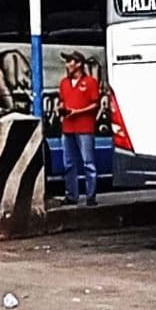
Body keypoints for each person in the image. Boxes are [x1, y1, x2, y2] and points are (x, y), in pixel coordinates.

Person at [58, 51, 99, 207]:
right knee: (68, 164)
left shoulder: (90, 82)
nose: (68, 65)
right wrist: (61, 108)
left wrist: (78, 111)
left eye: (70, 61)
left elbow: (95, 103)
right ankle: (71, 195)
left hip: (84, 126)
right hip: (67, 126)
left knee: (88, 162)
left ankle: (91, 196)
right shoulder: (64, 83)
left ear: (79, 64)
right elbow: (62, 100)